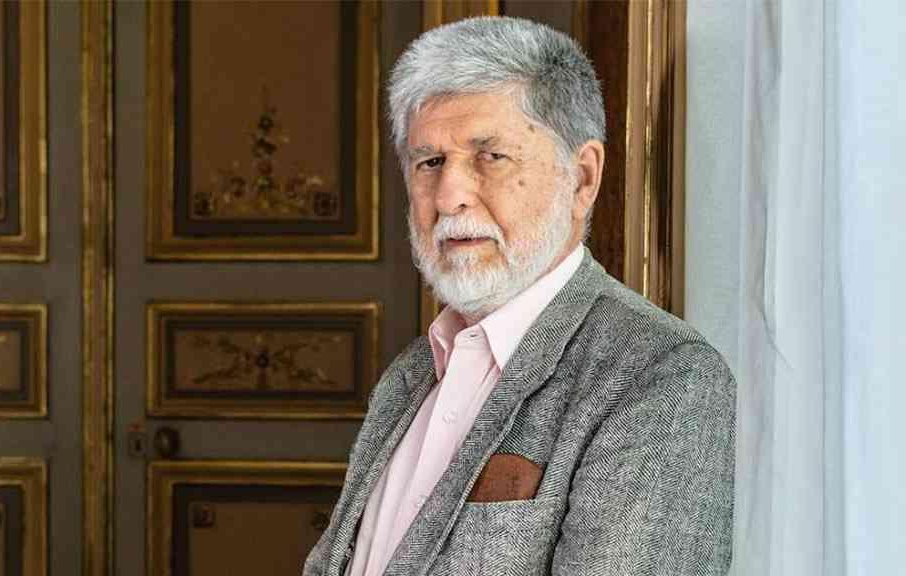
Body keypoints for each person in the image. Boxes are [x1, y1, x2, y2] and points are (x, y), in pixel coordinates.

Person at [304, 16, 735, 576]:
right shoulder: (408, 377)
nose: (450, 196)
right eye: (429, 161)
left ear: (582, 177)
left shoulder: (661, 375)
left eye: (491, 156)